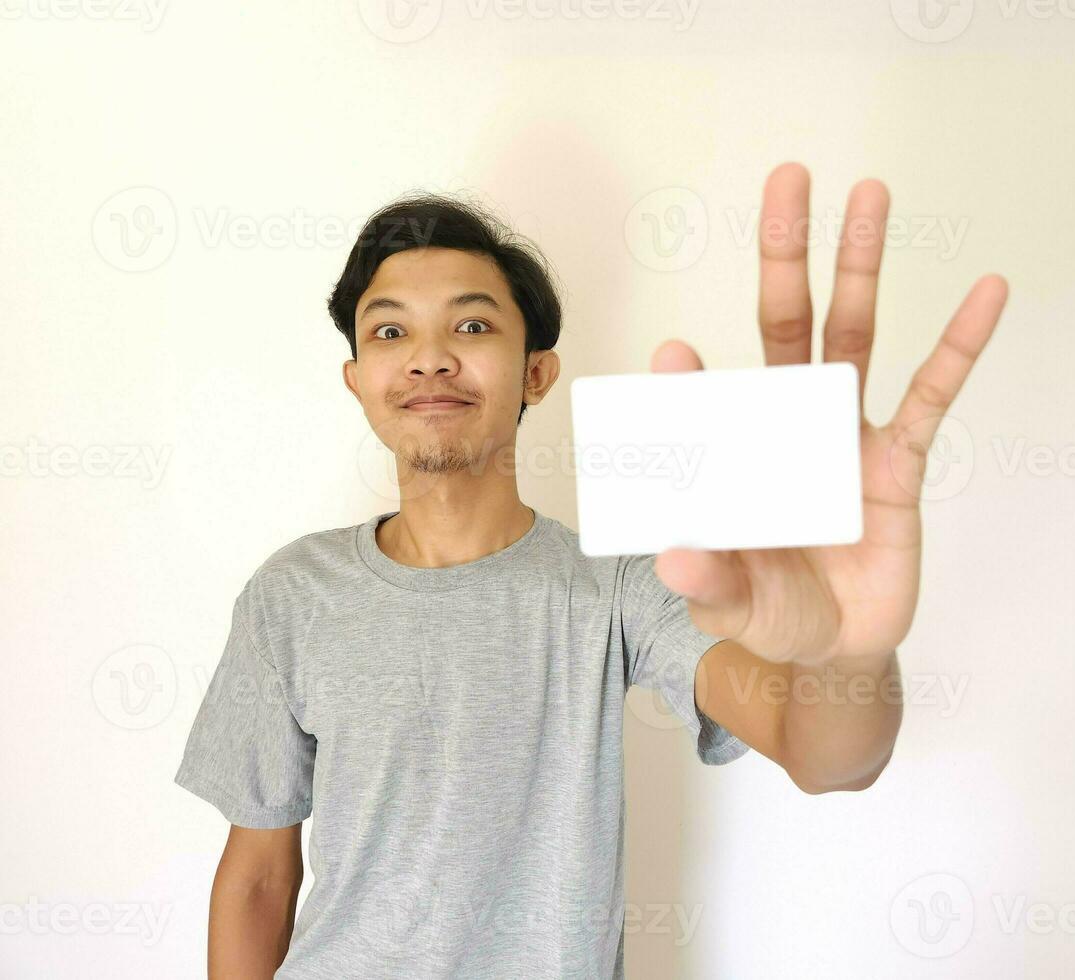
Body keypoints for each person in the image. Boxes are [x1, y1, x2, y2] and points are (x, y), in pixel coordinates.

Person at [173, 162, 1009, 978]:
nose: (428, 358)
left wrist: (849, 653)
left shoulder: (620, 583)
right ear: (359, 380)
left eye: (471, 326)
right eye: (390, 331)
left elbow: (827, 756)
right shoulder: (291, 594)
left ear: (537, 371)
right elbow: (257, 876)